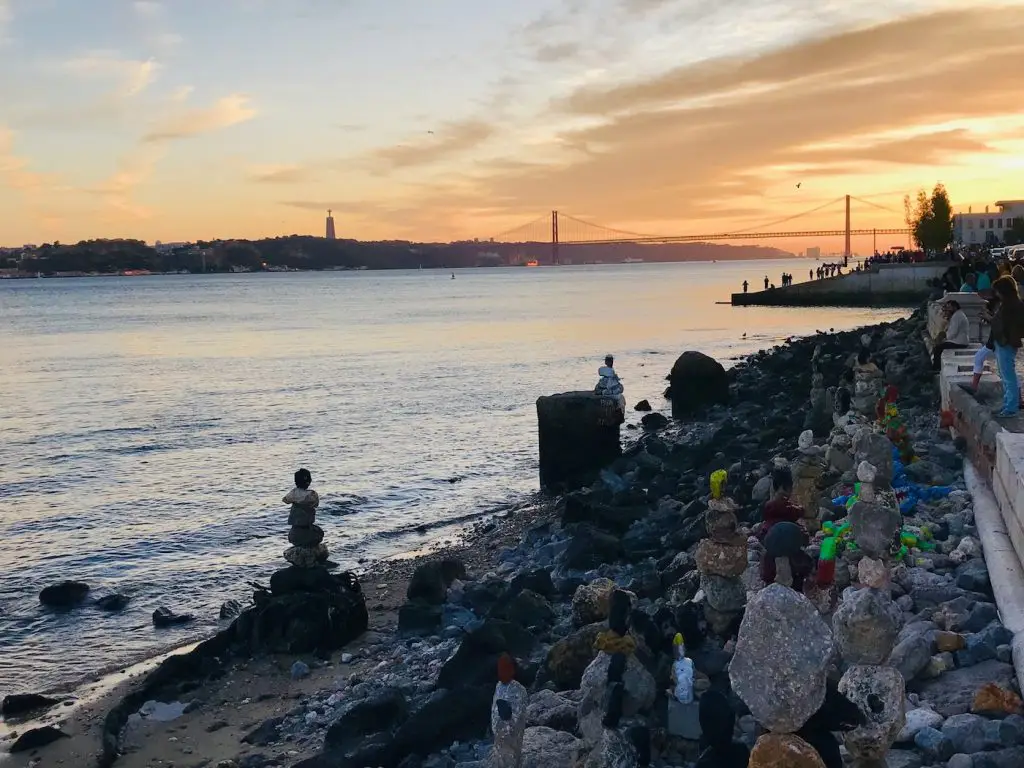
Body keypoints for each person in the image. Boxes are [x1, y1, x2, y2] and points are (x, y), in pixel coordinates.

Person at [990, 276, 1024, 417]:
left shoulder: (1012, 306)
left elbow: (1006, 325)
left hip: (1006, 342)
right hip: (1004, 342)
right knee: (1006, 375)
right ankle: (1007, 404)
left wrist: (989, 318)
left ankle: (1011, 408)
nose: (997, 294)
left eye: (998, 291)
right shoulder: (1011, 304)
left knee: (1008, 376)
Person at [931, 299, 970, 370]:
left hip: (959, 342)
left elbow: (953, 333)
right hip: (959, 340)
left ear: (955, 307)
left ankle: (936, 368)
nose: (948, 310)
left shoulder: (957, 316)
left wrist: (944, 338)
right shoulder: (957, 315)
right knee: (938, 346)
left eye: (949, 307)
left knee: (938, 348)